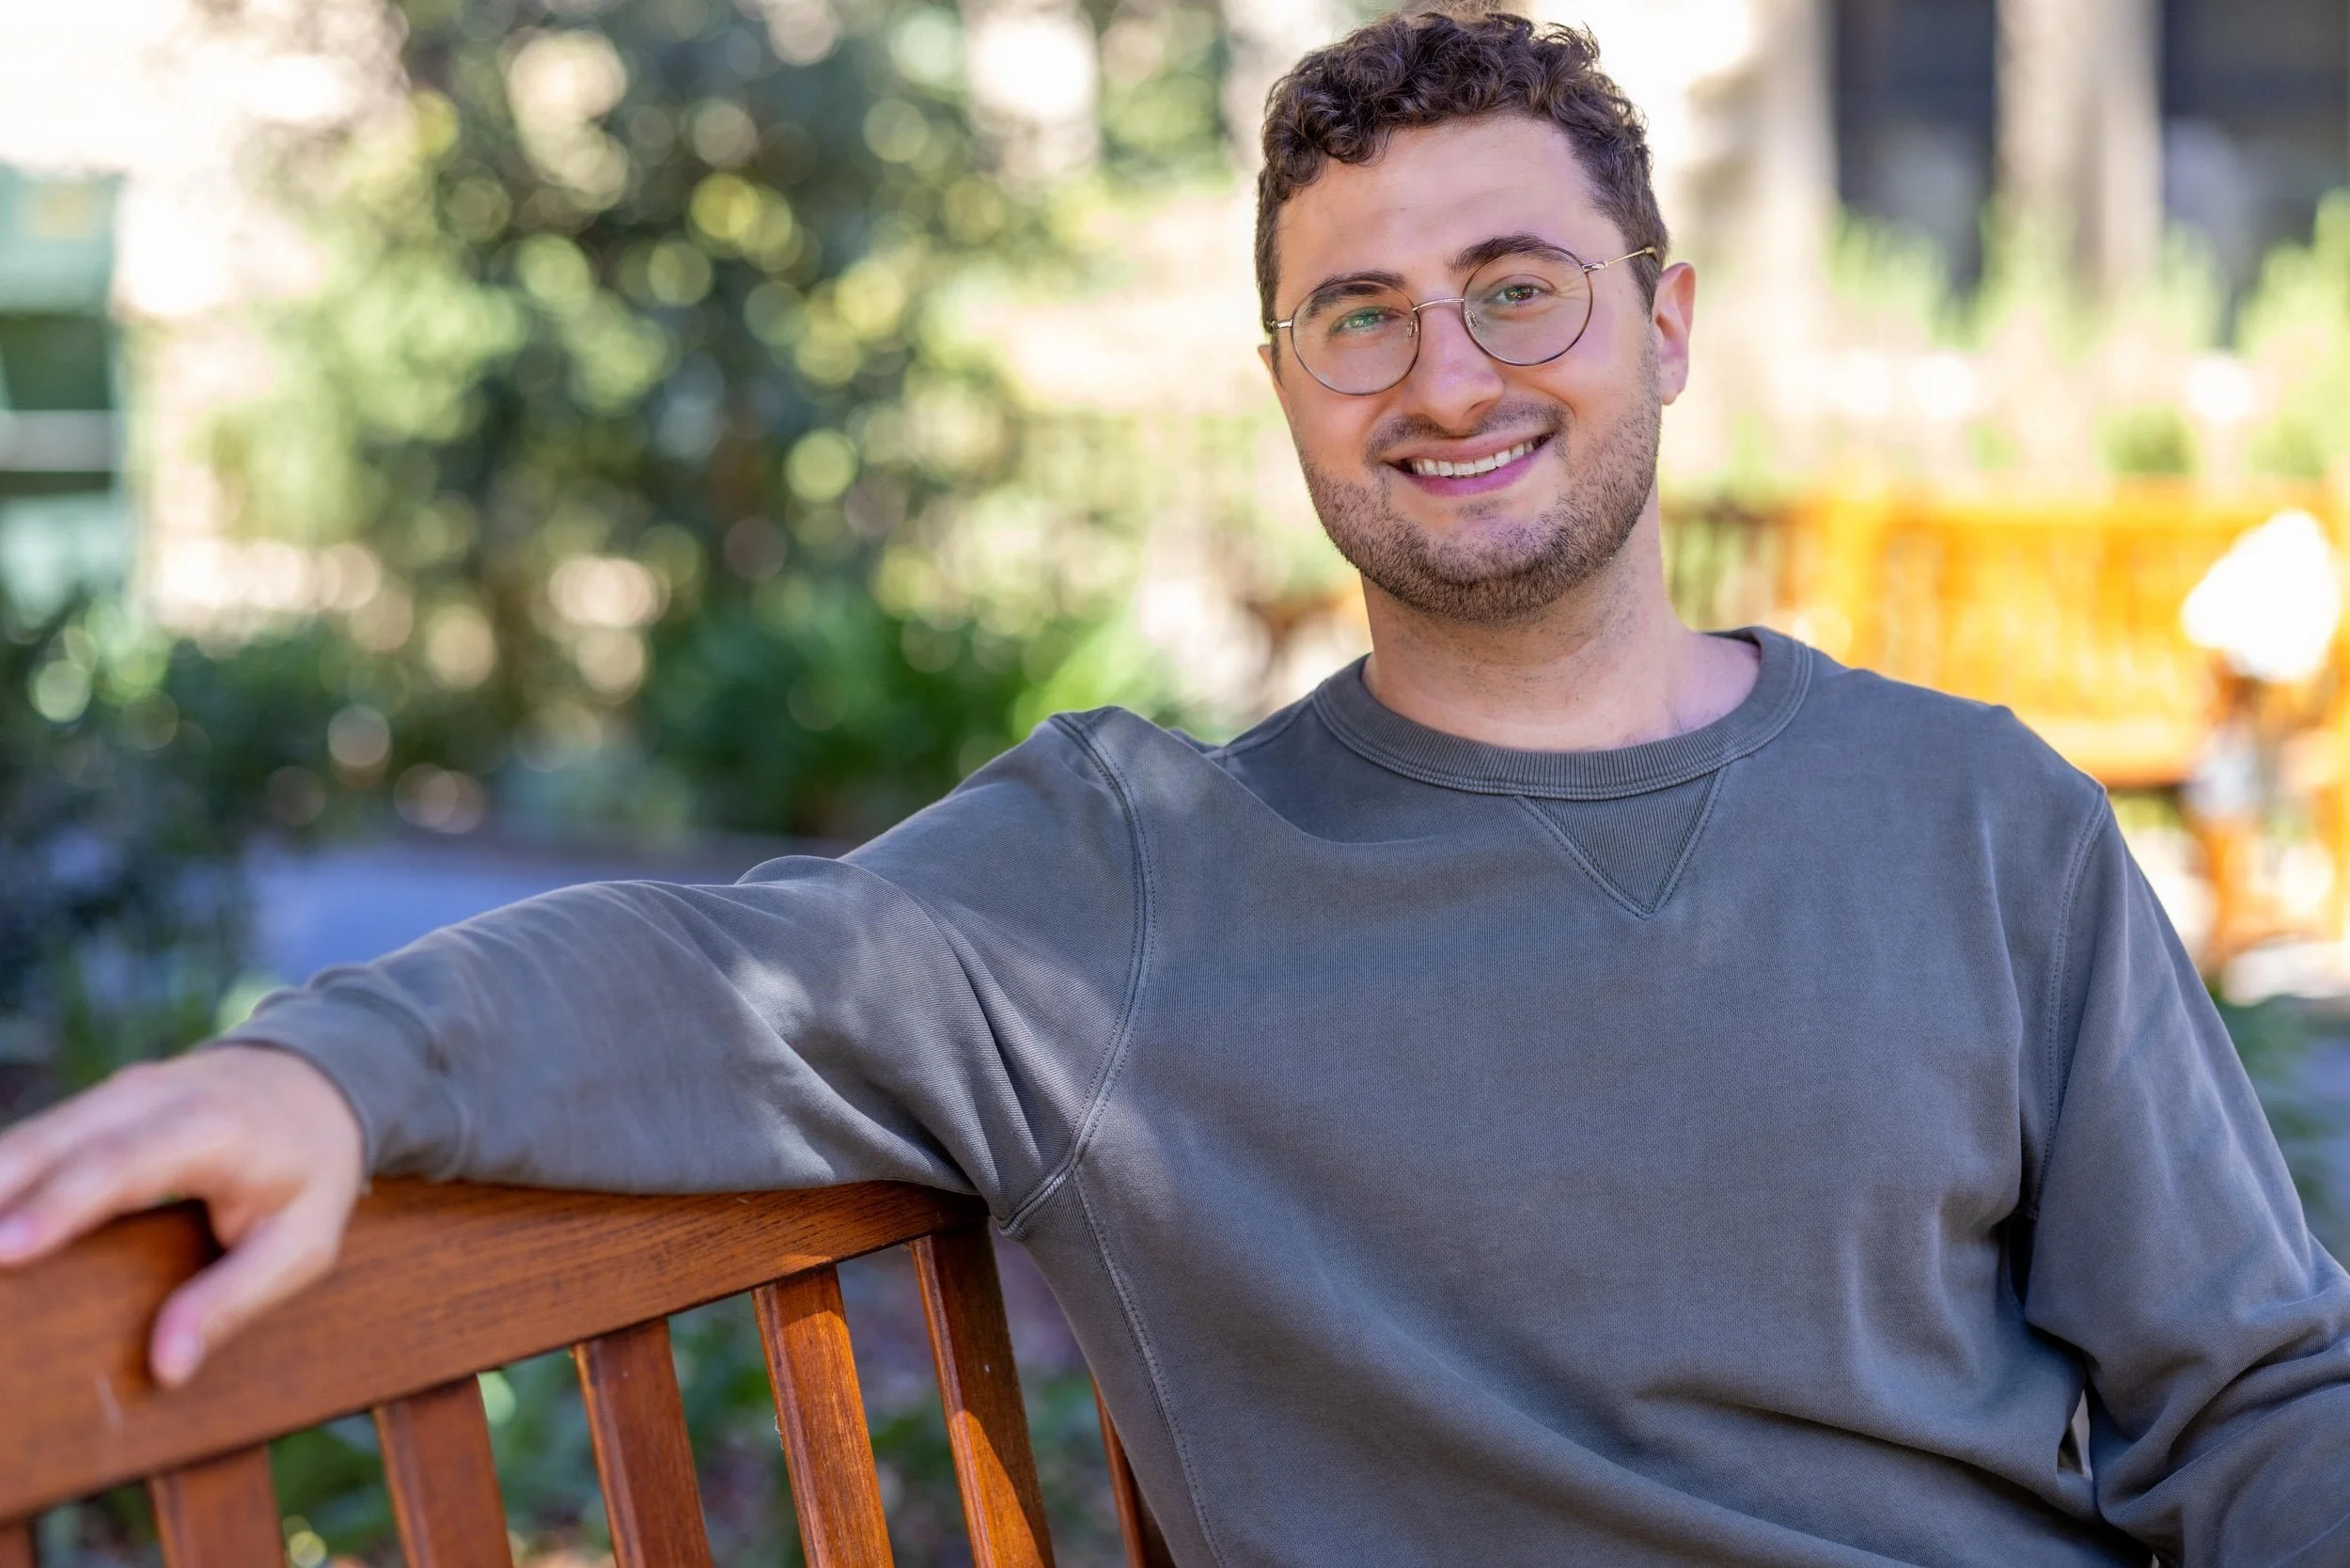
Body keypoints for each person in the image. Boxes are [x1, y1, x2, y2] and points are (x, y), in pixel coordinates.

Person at [4, 8, 2347, 1562]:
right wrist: (332, 1072)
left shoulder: (1976, 821)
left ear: (1662, 320)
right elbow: (721, 977)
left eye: (1516, 286)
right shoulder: (1125, 886)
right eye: (1358, 316)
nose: (1445, 374)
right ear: (1287, 383)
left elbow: (2244, 1394)